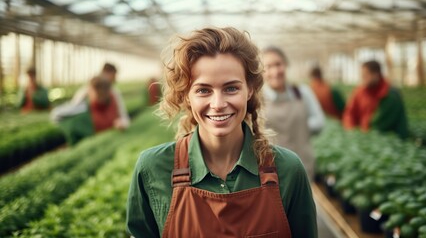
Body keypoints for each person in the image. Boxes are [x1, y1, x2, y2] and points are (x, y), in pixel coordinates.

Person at [126, 27, 317, 238]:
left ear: (250, 89)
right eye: (203, 90)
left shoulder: (288, 170)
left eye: (231, 88)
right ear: (187, 95)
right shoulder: (153, 169)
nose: (218, 104)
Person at [261, 46, 325, 179]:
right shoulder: (258, 99)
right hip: (271, 170)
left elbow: (319, 122)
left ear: (285, 65)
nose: (275, 71)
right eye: (268, 66)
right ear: (261, 71)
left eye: (278, 64)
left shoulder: (302, 92)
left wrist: (299, 127)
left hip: (303, 165)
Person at [343, 60, 408, 139]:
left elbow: (379, 125)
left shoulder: (390, 95)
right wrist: (351, 130)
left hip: (390, 140)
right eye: (362, 75)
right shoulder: (360, 91)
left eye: (365, 75)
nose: (363, 78)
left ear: (376, 75)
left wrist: (362, 134)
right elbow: (349, 113)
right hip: (366, 135)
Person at [51, 76, 122, 145]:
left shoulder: (86, 109)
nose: (88, 91)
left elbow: (56, 115)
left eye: (90, 89)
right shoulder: (111, 103)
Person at [71, 62, 129, 129]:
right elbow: (74, 108)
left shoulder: (114, 93)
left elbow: (123, 115)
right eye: (114, 76)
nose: (115, 79)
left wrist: (122, 123)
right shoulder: (85, 92)